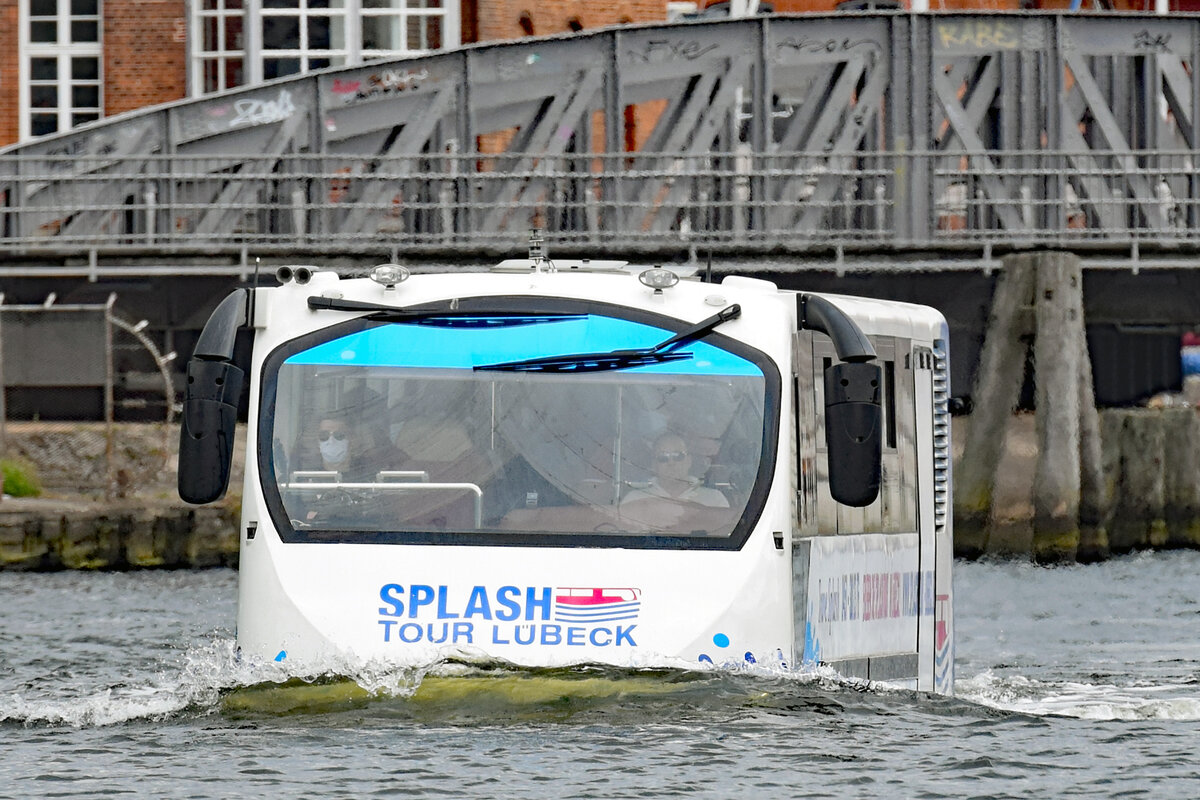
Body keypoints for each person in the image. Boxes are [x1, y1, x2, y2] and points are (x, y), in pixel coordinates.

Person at [621, 432, 729, 509]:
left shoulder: (715, 500)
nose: (671, 463)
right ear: (654, 465)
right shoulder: (633, 500)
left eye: (678, 456)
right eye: (663, 457)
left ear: (689, 461)